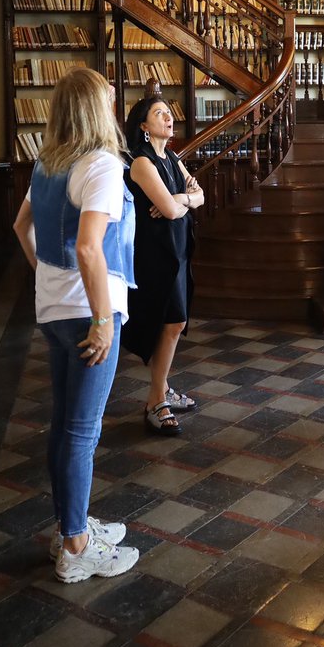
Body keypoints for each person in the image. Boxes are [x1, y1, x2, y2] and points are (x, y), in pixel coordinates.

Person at [12, 68, 140, 583]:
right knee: (82, 432)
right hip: (90, 312)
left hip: (53, 308)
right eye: (108, 96)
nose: (114, 101)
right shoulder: (102, 165)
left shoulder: (48, 163)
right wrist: (104, 318)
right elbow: (89, 246)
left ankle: (71, 523)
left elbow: (22, 227)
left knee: (66, 425)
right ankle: (77, 547)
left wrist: (47, 277)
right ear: (95, 107)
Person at [122, 96, 204, 435]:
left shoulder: (172, 157)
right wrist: (179, 203)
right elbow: (167, 212)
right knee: (171, 322)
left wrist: (181, 198)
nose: (169, 118)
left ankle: (163, 386)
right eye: (160, 114)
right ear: (143, 125)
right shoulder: (142, 163)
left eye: (169, 113)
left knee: (172, 323)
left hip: (178, 248)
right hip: (156, 253)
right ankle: (156, 401)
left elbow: (199, 197)